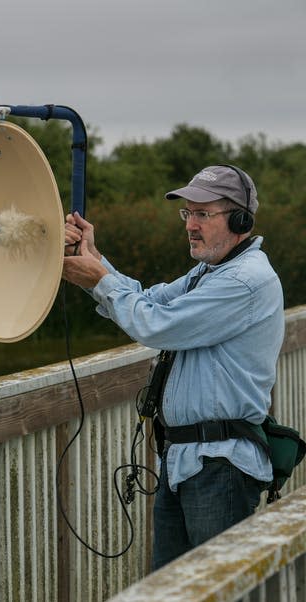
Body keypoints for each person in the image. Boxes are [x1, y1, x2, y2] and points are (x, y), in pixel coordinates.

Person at [63, 164, 284, 570]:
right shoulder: (210, 272)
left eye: (203, 214)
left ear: (239, 220)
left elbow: (155, 324)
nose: (191, 225)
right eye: (188, 213)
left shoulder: (244, 281)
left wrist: (96, 280)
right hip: (186, 461)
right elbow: (149, 300)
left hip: (220, 466)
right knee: (173, 588)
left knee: (215, 588)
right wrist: (93, 261)